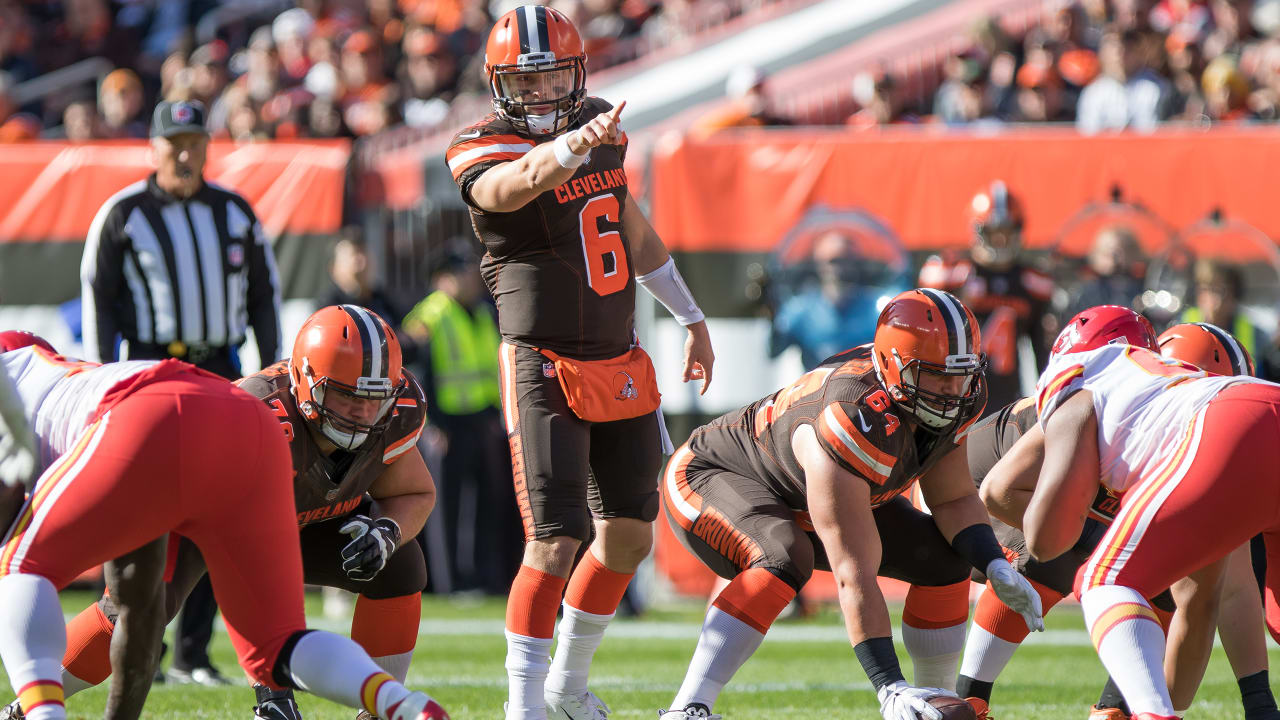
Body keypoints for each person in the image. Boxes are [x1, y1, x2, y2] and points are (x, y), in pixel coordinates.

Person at [445, 6, 715, 719]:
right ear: (498, 85)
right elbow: (511, 187)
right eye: (525, 82)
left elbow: (629, 226)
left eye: (554, 77)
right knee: (554, 539)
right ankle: (524, 708)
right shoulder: (477, 144)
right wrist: (570, 146)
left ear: (579, 72)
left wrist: (690, 315)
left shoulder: (598, 127)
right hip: (542, 360)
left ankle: (566, 687)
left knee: (628, 534)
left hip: (617, 354)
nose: (540, 95)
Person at [0, 337, 448, 720]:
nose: (365, 413)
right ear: (306, 381)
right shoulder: (267, 413)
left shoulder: (392, 410)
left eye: (375, 398)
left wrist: (386, 531)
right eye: (349, 396)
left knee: (398, 564)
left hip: (171, 427)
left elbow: (413, 492)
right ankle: (400, 704)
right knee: (137, 612)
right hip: (202, 446)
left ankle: (390, 707)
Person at [657, 289, 1044, 720]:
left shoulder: (954, 395)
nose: (953, 390)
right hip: (711, 475)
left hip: (805, 494)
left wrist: (994, 563)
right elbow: (852, 572)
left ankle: (938, 694)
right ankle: (689, 707)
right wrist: (888, 687)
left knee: (944, 560)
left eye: (961, 374)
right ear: (895, 368)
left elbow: (952, 497)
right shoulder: (850, 414)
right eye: (937, 376)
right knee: (783, 556)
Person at [958, 311, 1279, 719]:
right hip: (974, 487)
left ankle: (1129, 710)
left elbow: (1217, 595)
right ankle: (971, 695)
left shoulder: (1101, 383)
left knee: (1108, 577)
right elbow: (1006, 498)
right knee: (1102, 565)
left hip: (1214, 431)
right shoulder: (1112, 388)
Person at [80, 98, 282, 687]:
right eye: (175, 143)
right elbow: (99, 298)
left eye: (196, 142)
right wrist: (102, 379)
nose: (186, 153)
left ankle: (195, 651)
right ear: (154, 146)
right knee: (143, 516)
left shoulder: (235, 212)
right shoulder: (124, 213)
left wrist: (268, 369)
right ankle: (143, 647)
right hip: (150, 368)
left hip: (220, 369)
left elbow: (264, 294)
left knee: (217, 515)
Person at [402, 255, 518, 595]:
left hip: (482, 420)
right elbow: (416, 374)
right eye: (464, 274)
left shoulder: (482, 311)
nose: (472, 280)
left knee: (485, 503)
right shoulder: (430, 314)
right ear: (444, 278)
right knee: (443, 505)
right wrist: (431, 424)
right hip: (445, 426)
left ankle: (481, 577)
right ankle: (447, 582)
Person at [918, 180, 1054, 416]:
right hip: (954, 391)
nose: (1000, 241)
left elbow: (1040, 349)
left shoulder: (1031, 282)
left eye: (1006, 233)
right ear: (978, 230)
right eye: (994, 233)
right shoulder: (951, 274)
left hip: (1007, 394)